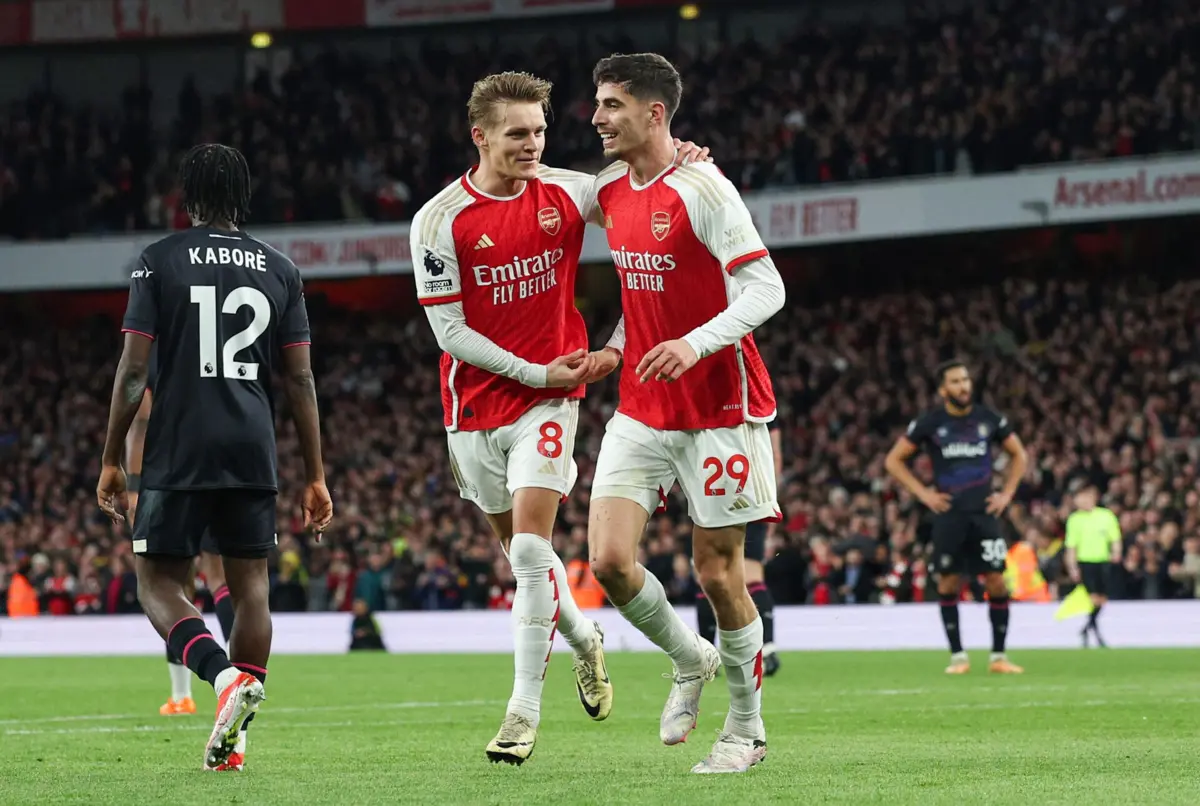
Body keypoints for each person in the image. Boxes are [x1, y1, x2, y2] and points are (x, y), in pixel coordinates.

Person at [411, 70, 710, 766]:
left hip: (553, 396)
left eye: (541, 131)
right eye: (518, 134)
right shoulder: (437, 219)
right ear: (479, 135)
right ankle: (583, 638)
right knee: (526, 557)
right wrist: (531, 371)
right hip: (476, 404)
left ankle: (521, 713)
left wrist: (685, 162)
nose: (533, 144)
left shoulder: (570, 191)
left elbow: (650, 223)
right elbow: (449, 332)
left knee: (527, 550)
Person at [96, 143, 333, 772]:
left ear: (187, 197)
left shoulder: (158, 261)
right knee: (250, 586)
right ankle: (237, 740)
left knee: (158, 583)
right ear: (244, 195)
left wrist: (113, 456)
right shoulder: (280, 268)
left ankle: (223, 678)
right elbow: (302, 382)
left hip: (180, 444)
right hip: (252, 446)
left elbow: (132, 371)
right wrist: (315, 473)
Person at [583, 52, 785, 774]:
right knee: (607, 559)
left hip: (718, 405)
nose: (598, 117)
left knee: (719, 573)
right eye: (598, 104)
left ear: (654, 112)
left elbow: (766, 290)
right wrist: (614, 347)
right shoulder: (608, 189)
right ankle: (689, 658)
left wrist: (693, 344)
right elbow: (640, 297)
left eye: (611, 104)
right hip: (641, 403)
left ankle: (746, 732)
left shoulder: (704, 188)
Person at [884, 360, 1028, 675]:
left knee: (997, 581)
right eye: (955, 381)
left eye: (965, 379)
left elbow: (1020, 454)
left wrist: (1007, 494)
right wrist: (924, 495)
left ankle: (999, 657)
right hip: (949, 516)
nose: (963, 386)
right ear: (943, 389)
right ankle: (958, 657)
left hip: (984, 513)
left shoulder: (989, 419)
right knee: (948, 581)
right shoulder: (931, 423)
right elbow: (893, 461)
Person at [125, 349, 237, 717]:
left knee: (170, 584)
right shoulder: (212, 339)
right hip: (225, 466)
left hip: (170, 476)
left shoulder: (153, 352)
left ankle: (184, 694)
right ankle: (243, 673)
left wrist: (134, 486)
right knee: (220, 576)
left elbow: (140, 422)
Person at [695, 416, 782, 676]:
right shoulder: (758, 400)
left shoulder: (701, 398)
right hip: (749, 491)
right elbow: (775, 456)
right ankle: (766, 649)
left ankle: (708, 653)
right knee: (750, 574)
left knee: (709, 571)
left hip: (712, 489)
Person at [1064, 485, 1122, 647]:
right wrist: (1073, 567)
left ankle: (1087, 628)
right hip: (1086, 563)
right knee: (1094, 598)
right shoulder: (1075, 519)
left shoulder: (1106, 516)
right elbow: (1071, 546)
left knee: (1102, 599)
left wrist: (1116, 552)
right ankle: (1094, 633)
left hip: (1103, 561)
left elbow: (1115, 537)